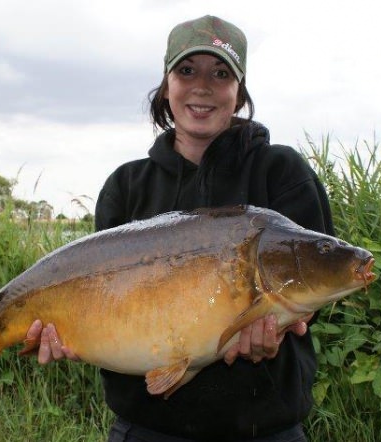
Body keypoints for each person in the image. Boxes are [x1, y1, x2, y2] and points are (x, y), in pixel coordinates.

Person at [26, 15, 334, 441]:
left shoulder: (281, 172)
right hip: (147, 426)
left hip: (265, 428)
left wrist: (278, 327)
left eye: (220, 74)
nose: (202, 86)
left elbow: (306, 302)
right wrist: (74, 335)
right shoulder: (125, 187)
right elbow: (101, 310)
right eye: (187, 71)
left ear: (238, 92)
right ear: (166, 84)